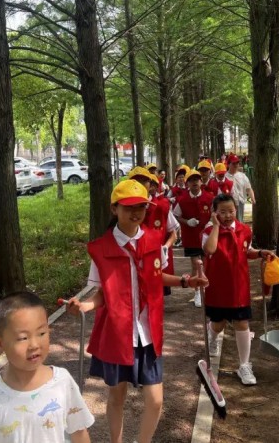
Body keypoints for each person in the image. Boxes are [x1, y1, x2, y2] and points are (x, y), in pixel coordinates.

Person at [66, 180, 208, 443]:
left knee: (155, 400)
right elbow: (102, 293)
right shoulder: (101, 248)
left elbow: (157, 276)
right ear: (114, 209)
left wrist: (186, 281)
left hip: (148, 333)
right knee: (116, 397)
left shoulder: (154, 240)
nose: (136, 212)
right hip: (118, 334)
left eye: (141, 206)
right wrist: (84, 306)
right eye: (129, 207)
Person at [0, 292, 94, 443]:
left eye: (41, 333)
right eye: (23, 338)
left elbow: (79, 432)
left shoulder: (63, 382)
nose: (34, 345)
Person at [202, 194, 274, 386]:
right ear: (214, 213)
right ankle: (212, 337)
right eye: (222, 212)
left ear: (236, 210)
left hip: (239, 287)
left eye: (231, 211)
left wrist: (260, 253)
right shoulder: (209, 231)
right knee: (218, 324)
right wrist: (216, 226)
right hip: (217, 288)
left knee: (242, 323)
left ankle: (244, 365)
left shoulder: (245, 230)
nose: (227, 215)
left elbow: (246, 250)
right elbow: (210, 249)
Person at [129, 168, 179, 295]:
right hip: (133, 261)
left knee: (156, 297)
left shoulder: (161, 206)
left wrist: (165, 247)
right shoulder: (124, 208)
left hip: (156, 260)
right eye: (135, 181)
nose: (139, 184)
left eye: (143, 181)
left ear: (150, 185)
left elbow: (173, 233)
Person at [173, 169, 214, 307]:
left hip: (207, 237)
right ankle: (197, 293)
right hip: (191, 237)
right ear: (187, 183)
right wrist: (187, 221)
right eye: (191, 180)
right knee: (196, 265)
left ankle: (206, 290)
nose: (194, 182)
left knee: (206, 264)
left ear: (201, 181)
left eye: (196, 179)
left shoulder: (209, 198)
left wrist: (210, 223)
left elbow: (215, 213)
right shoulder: (182, 199)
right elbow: (176, 215)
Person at [226, 155, 255, 223]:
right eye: (233, 163)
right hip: (228, 203)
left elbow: (248, 188)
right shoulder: (225, 177)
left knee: (239, 222)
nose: (236, 165)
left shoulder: (242, 176)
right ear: (228, 164)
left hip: (240, 203)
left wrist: (253, 198)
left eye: (237, 163)